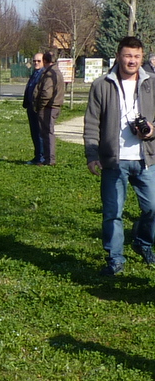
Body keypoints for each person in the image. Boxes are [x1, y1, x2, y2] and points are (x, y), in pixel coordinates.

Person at [84, 36, 155, 276]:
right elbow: (92, 122)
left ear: (142, 58)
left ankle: (142, 242)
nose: (132, 61)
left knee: (153, 208)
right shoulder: (102, 85)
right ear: (118, 56)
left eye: (137, 56)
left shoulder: (152, 84)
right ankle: (115, 259)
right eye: (127, 56)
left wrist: (152, 130)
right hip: (114, 160)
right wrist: (92, 154)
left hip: (146, 159)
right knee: (113, 213)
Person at [34, 51, 65, 166]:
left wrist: (40, 105)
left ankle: (49, 159)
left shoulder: (49, 74)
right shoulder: (57, 71)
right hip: (55, 106)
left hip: (49, 107)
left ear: (45, 61)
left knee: (47, 133)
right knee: (48, 132)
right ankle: (48, 158)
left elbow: (46, 93)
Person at [23, 53, 46, 165]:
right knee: (34, 133)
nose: (36, 63)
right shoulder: (34, 73)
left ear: (44, 62)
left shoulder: (44, 74)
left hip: (39, 108)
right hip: (31, 107)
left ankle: (42, 157)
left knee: (40, 133)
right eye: (34, 61)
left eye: (38, 61)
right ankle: (37, 156)